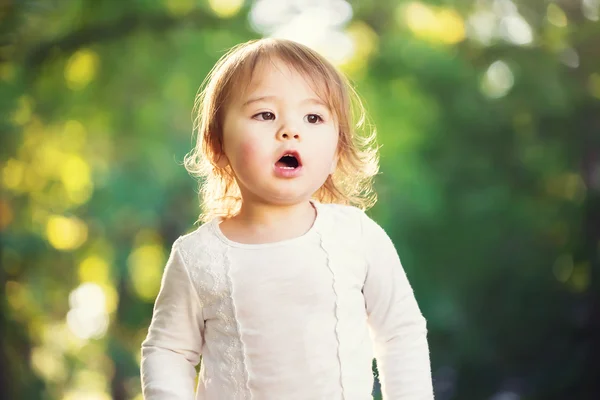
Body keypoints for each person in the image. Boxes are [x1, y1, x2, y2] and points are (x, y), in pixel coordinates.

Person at [140, 38, 434, 399]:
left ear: (337, 149)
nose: (290, 130)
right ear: (218, 144)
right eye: (265, 114)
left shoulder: (356, 236)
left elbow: (400, 333)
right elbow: (168, 351)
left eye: (313, 117)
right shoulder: (198, 257)